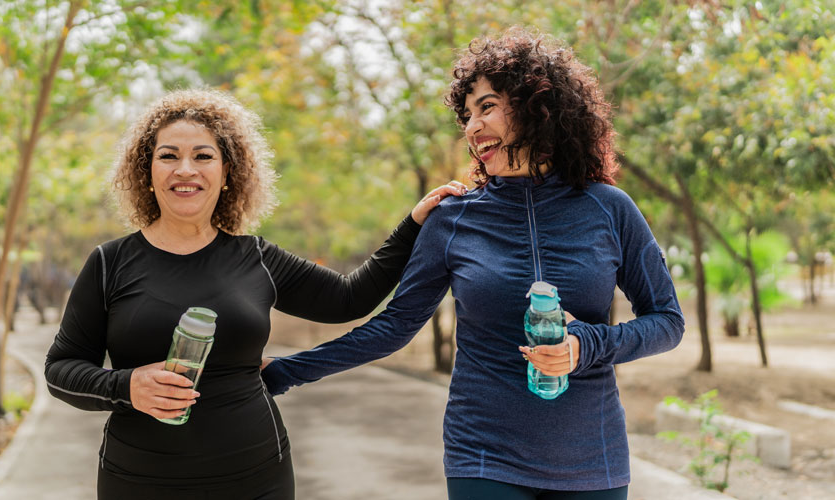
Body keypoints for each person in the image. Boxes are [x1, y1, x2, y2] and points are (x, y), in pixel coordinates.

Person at [261, 26, 685, 500]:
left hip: (591, 456)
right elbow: (395, 326)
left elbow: (667, 322)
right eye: (466, 115)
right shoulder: (453, 219)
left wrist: (588, 345)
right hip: (483, 453)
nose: (472, 126)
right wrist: (281, 373)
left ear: (537, 107)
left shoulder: (609, 207)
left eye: (487, 107)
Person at [44, 88, 466, 500]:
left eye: (203, 156)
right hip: (136, 478)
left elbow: (349, 299)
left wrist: (411, 226)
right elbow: (60, 369)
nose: (185, 169)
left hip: (256, 474)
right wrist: (126, 385)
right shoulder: (109, 263)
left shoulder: (256, 257)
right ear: (146, 172)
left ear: (228, 173)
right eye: (168, 155)